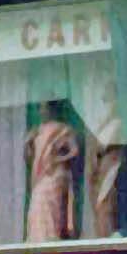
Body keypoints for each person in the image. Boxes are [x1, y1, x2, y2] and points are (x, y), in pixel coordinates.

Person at [24, 100, 79, 243]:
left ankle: (51, 238)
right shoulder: (38, 130)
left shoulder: (62, 129)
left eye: (44, 108)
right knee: (37, 205)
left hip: (55, 175)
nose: (42, 112)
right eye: (40, 109)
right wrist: (28, 144)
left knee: (51, 207)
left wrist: (59, 159)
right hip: (40, 175)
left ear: (52, 110)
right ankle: (37, 239)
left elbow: (74, 151)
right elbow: (30, 157)